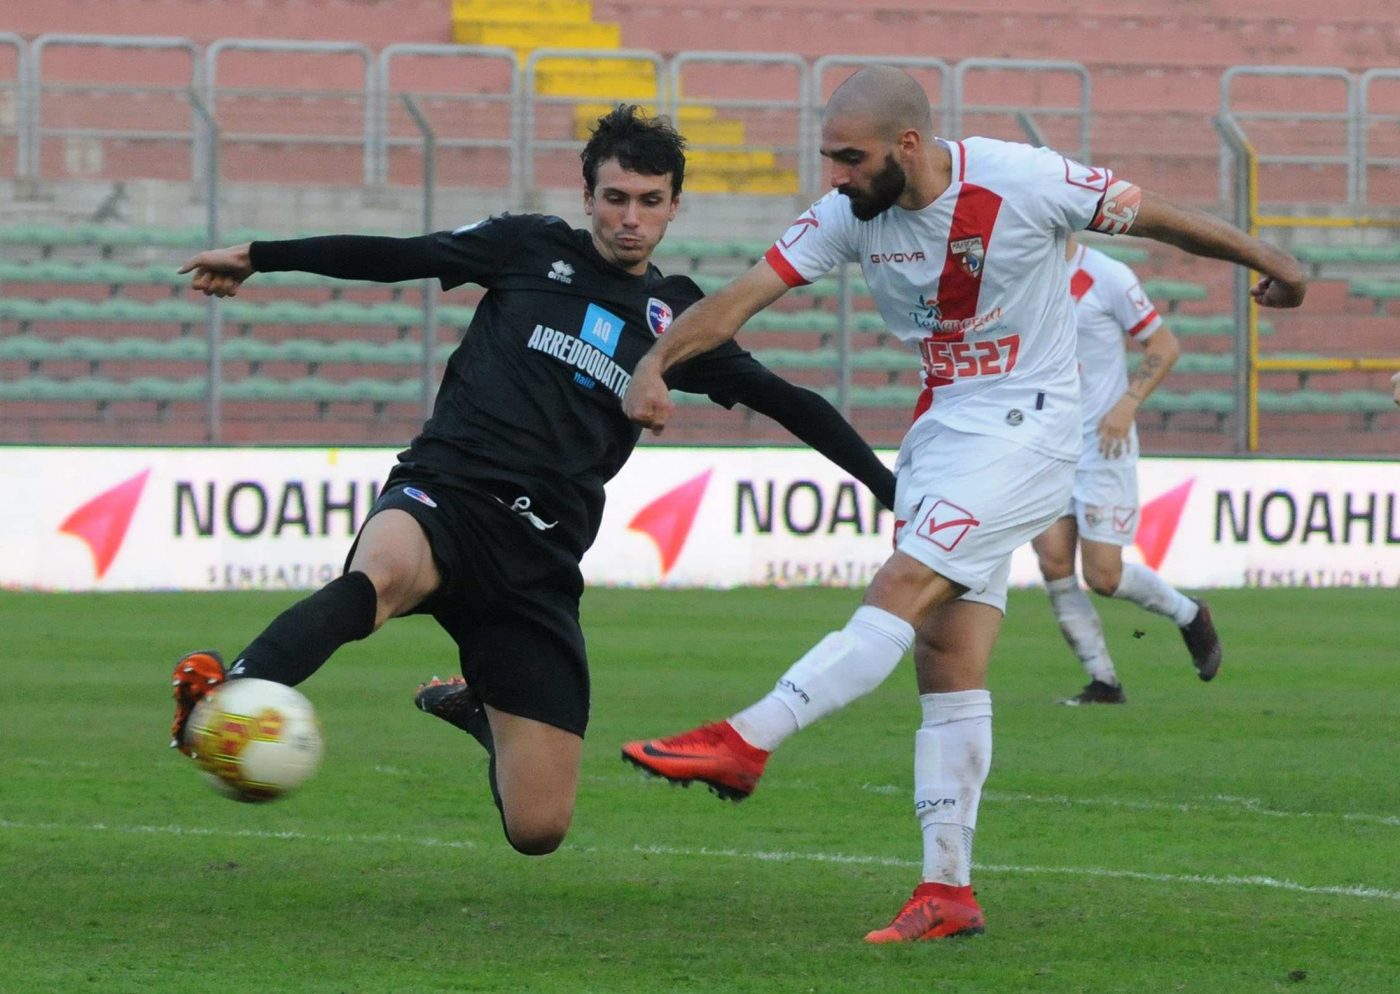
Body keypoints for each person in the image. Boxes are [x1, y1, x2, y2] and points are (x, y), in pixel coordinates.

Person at [618, 65, 1306, 942]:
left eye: (850, 157)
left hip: (1035, 428)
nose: (834, 173)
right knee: (946, 661)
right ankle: (947, 890)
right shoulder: (847, 213)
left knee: (902, 588)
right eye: (828, 156)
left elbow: (1161, 217)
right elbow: (738, 302)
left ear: (908, 145)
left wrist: (1277, 262)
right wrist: (653, 364)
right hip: (944, 431)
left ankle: (748, 738)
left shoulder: (1023, 178)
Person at [169, 104, 896, 857]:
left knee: (538, 829)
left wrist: (888, 487)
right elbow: (397, 255)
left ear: (675, 206)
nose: (630, 219)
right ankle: (227, 693)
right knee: (380, 576)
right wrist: (262, 253)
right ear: (587, 199)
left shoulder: (681, 318)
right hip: (447, 491)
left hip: (540, 562)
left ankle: (479, 707)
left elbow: (792, 403)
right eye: (615, 198)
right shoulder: (528, 247)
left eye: (650, 202)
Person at [1032, 234, 1217, 706]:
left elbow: (1164, 343)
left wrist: (1128, 403)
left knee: (1104, 577)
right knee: (1053, 562)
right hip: (1045, 445)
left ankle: (1189, 614)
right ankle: (1104, 682)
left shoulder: (1107, 275)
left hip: (1102, 447)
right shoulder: (1020, 271)